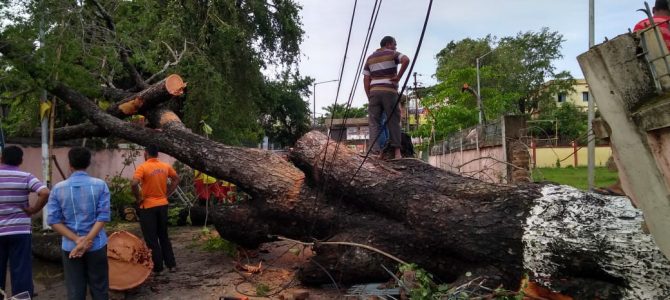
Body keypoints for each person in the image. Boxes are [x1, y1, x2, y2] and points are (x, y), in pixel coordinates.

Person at [46, 147, 111, 300]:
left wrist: (77, 241)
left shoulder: (57, 189)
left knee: (75, 291)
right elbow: (103, 216)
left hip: (70, 247)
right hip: (96, 245)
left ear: (70, 164)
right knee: (100, 288)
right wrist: (87, 241)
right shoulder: (100, 185)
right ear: (88, 163)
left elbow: (53, 221)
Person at [0, 146, 49, 298]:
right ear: (21, 160)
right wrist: (34, 209)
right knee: (21, 268)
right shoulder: (26, 176)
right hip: (20, 231)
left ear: (1, 158)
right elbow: (44, 192)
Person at [131, 145, 179, 275]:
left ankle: (158, 267)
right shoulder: (165, 166)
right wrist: (168, 193)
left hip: (148, 206)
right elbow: (176, 178)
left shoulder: (143, 167)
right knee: (163, 235)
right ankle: (171, 264)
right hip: (163, 204)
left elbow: (134, 183)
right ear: (157, 154)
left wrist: (138, 197)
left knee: (151, 238)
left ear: (146, 153)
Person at [363, 36, 410, 159]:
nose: (395, 47)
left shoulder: (370, 58)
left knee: (374, 122)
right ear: (388, 44)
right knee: (393, 121)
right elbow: (406, 60)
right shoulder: (392, 53)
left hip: (374, 92)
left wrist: (369, 95)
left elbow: (366, 78)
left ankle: (375, 152)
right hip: (389, 91)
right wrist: (398, 77)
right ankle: (397, 153)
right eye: (395, 44)